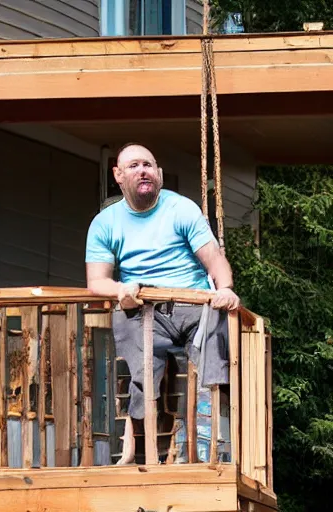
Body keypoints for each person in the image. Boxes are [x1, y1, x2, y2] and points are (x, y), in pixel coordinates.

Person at [85, 143, 240, 464]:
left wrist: (225, 289)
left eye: (148, 165)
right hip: (143, 308)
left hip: (194, 306)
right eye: (133, 166)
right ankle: (138, 452)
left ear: (158, 174)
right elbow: (96, 282)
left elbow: (215, 260)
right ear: (118, 175)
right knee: (140, 371)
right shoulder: (105, 222)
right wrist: (119, 291)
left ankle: (209, 446)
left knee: (215, 357)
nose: (142, 170)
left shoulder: (181, 209)